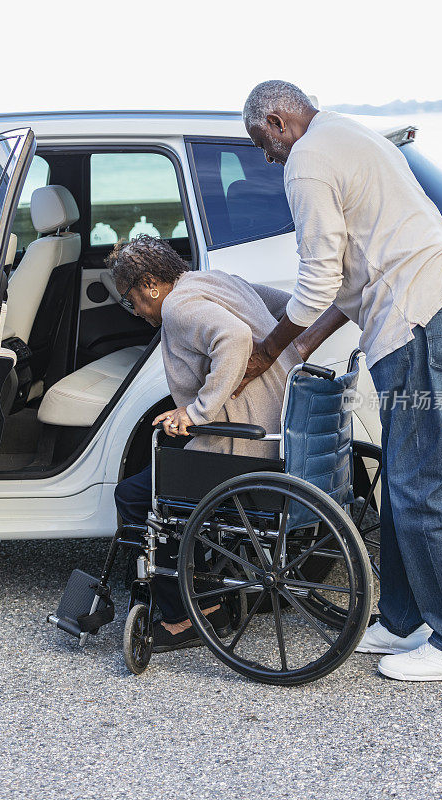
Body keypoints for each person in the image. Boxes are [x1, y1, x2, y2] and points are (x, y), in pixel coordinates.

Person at [235, 79, 442, 682]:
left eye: (262, 144)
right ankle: (404, 621)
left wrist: (266, 353)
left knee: (420, 481)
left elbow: (320, 276)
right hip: (434, 303)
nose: (268, 158)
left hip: (418, 317)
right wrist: (296, 346)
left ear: (276, 120)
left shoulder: (307, 160)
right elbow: (349, 279)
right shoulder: (345, 132)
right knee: (403, 477)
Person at [108, 234, 299, 652]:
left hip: (241, 447)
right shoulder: (217, 280)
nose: (136, 311)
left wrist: (197, 412)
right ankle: (198, 592)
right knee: (159, 471)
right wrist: (284, 360)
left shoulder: (178, 306)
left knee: (138, 496)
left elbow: (232, 337)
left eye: (131, 299)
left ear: (151, 284)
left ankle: (183, 617)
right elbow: (289, 307)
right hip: (271, 431)